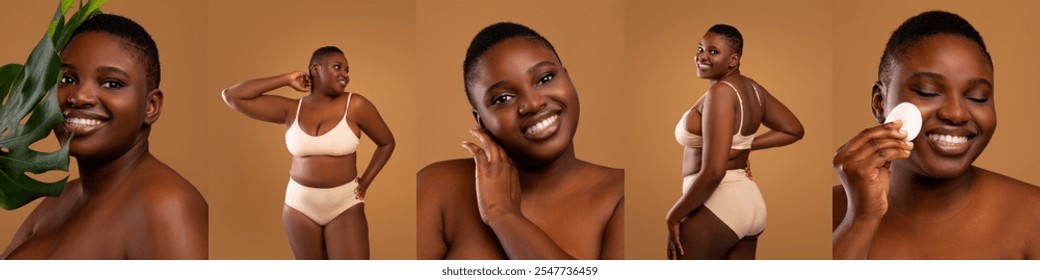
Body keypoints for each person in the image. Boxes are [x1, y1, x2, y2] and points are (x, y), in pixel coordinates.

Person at [832, 10, 1040, 259]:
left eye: (977, 97)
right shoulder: (826, 212)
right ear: (879, 102)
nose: (956, 114)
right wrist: (861, 219)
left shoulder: (1033, 218)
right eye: (928, 92)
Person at [1, 14, 208, 259]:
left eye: (112, 83)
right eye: (67, 79)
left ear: (151, 106)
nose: (79, 97)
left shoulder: (166, 205)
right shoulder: (58, 202)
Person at [416, 22, 624, 260]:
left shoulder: (621, 195)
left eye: (545, 78)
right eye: (503, 98)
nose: (533, 104)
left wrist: (503, 214)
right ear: (481, 119)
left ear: (567, 78)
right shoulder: (440, 188)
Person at [222, 46, 394, 260]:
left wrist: (365, 182)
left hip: (344, 204)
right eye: (338, 67)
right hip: (299, 206)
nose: (345, 75)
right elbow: (232, 96)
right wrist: (286, 78)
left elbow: (387, 143)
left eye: (347, 70)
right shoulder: (291, 109)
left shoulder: (356, 105)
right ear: (316, 69)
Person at [665, 24, 803, 260]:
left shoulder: (722, 92)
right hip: (748, 201)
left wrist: (674, 215)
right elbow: (793, 130)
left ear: (733, 60)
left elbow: (714, 171)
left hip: (719, 203)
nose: (702, 56)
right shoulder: (753, 89)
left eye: (713, 51)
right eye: (700, 49)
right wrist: (745, 146)